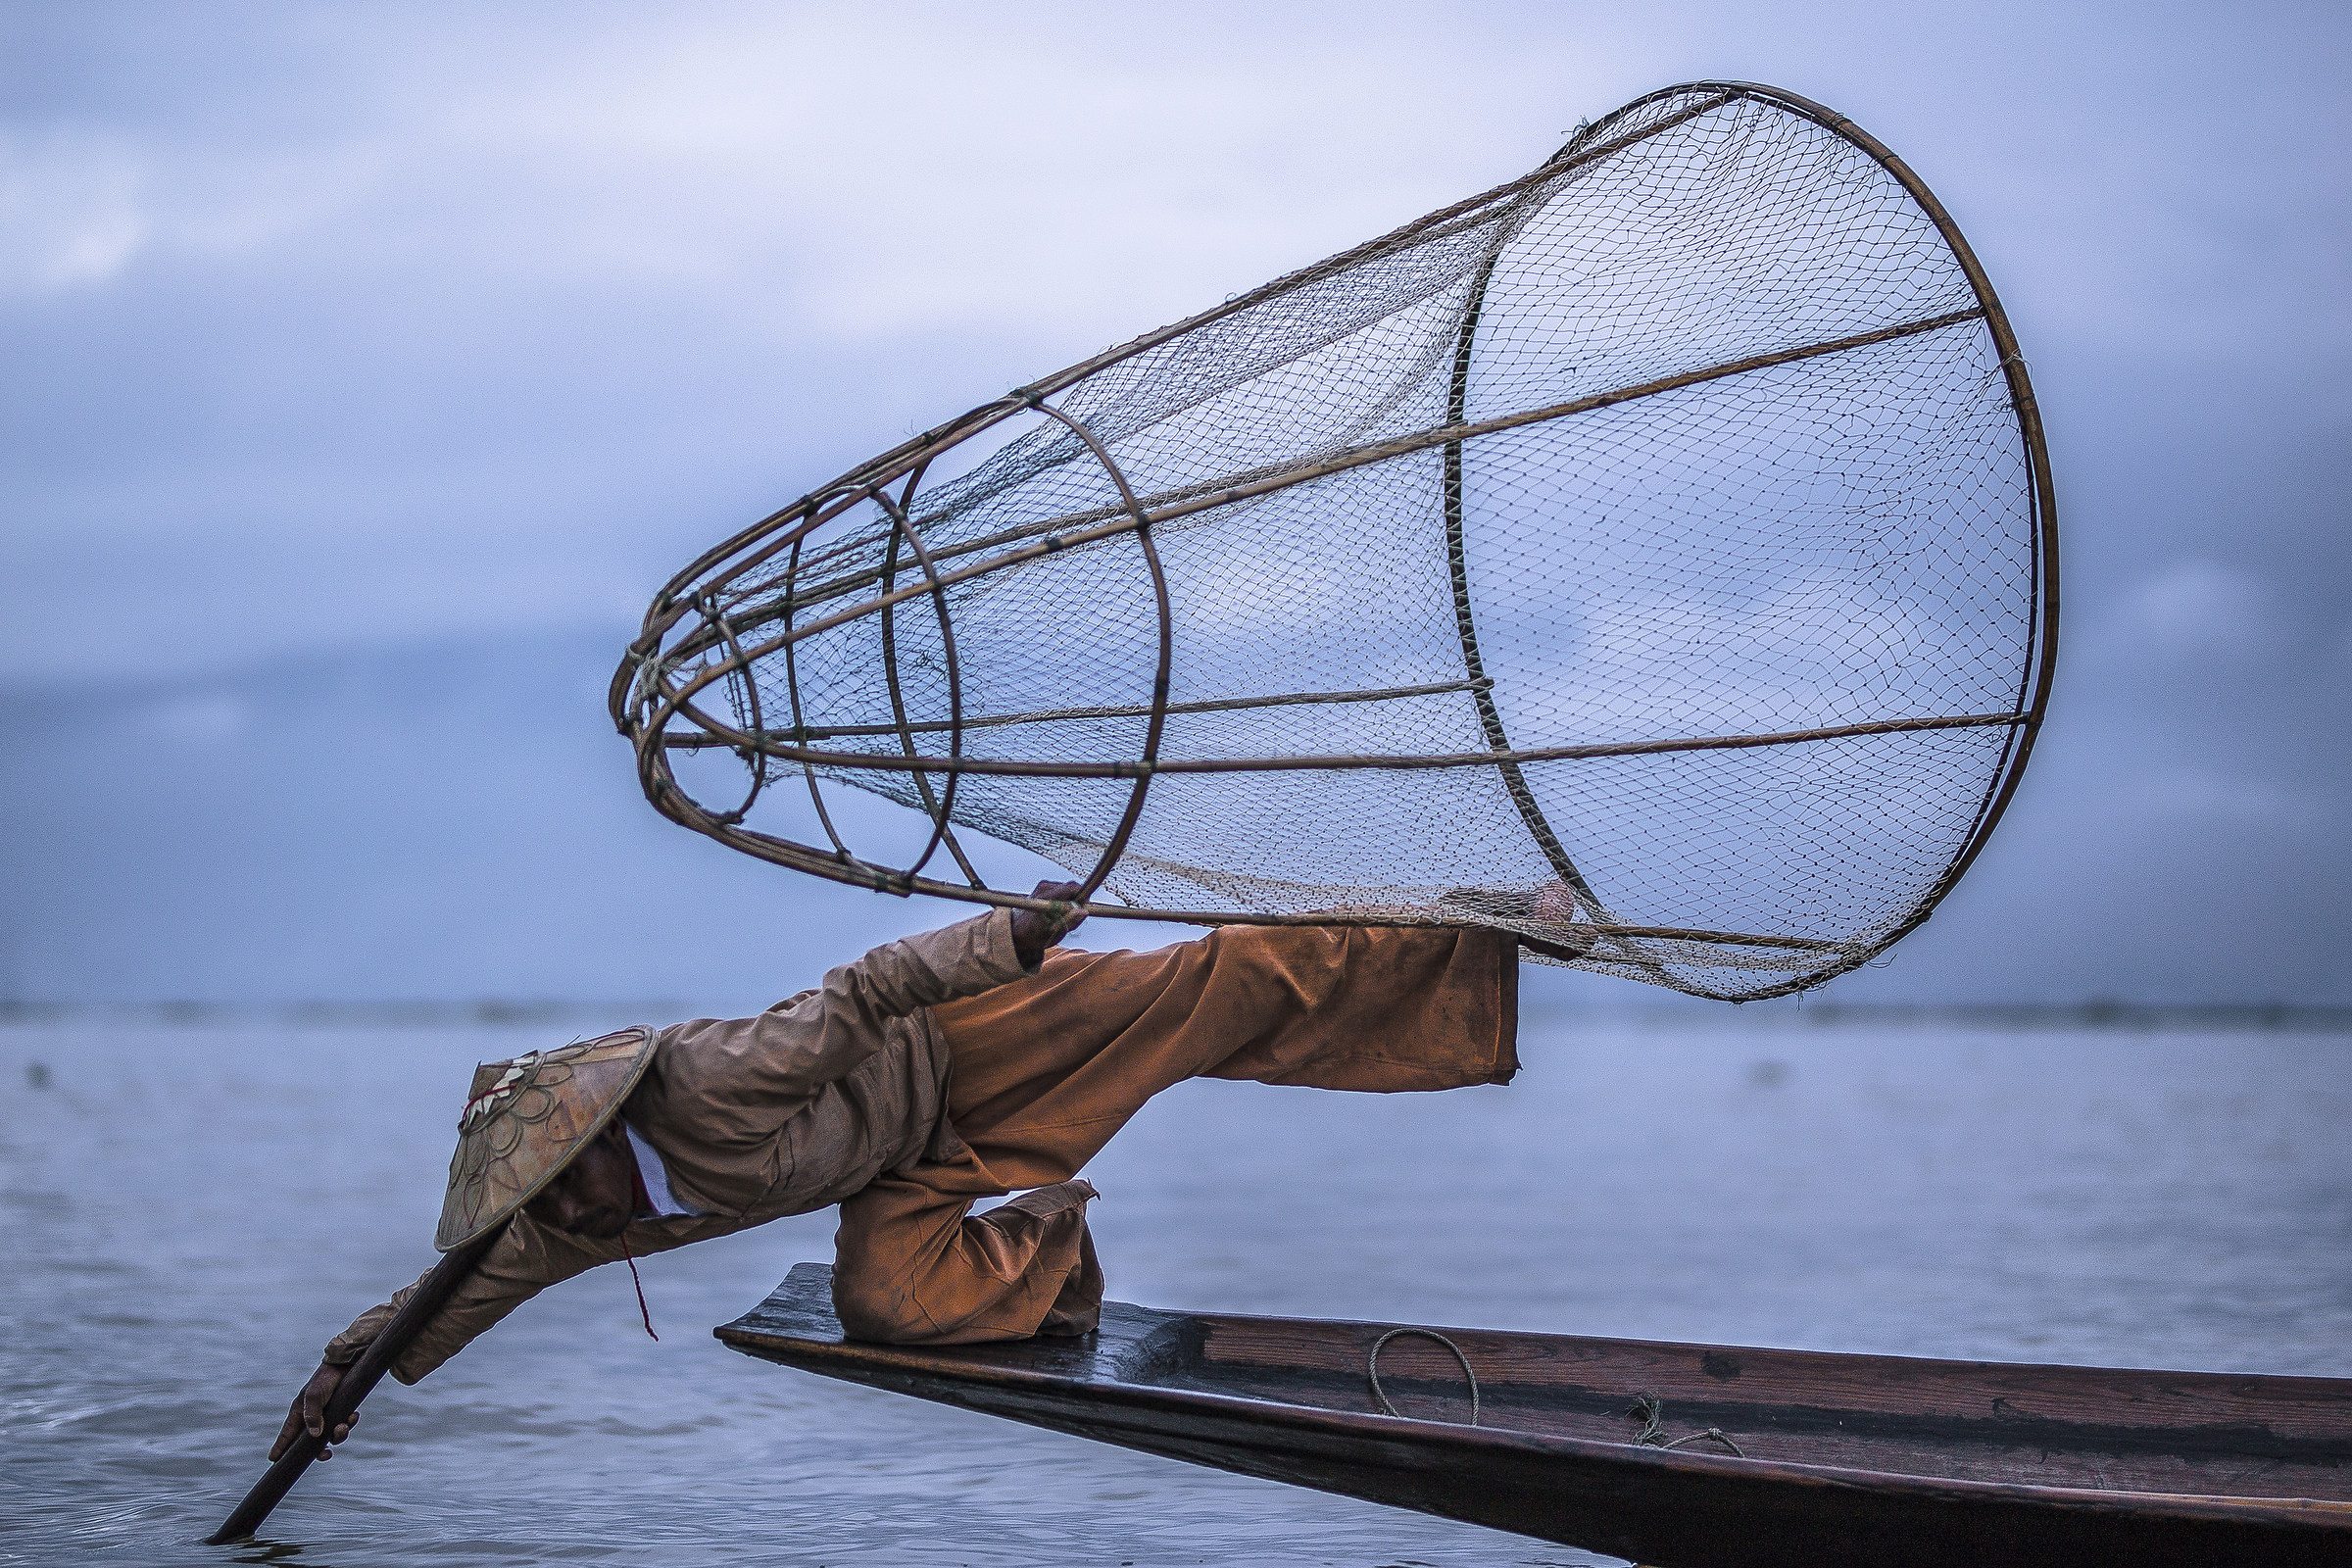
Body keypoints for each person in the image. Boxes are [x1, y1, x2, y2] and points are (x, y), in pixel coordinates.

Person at [272, 879, 1575, 1462]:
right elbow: (468, 1283)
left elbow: (865, 991)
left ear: (599, 1136)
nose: (566, 1215)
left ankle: (1477, 929)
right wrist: (346, 1375)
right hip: (914, 1157)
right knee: (889, 1310)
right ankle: (1054, 1240)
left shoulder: (708, 1076)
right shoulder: (563, 1221)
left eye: (567, 1188)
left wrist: (1006, 940)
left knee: (1215, 986)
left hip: (966, 1033)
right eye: (549, 1205)